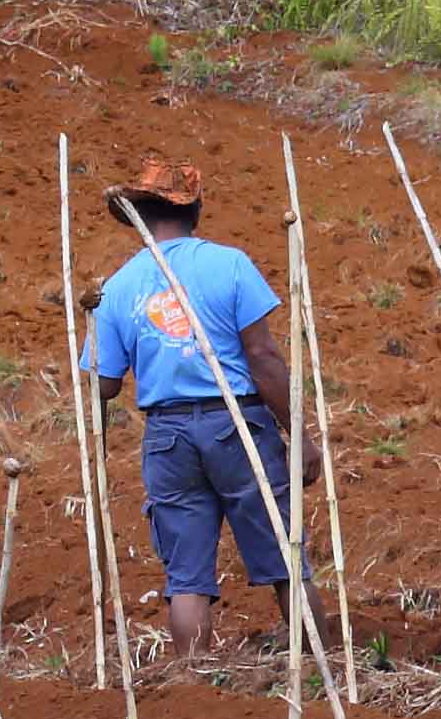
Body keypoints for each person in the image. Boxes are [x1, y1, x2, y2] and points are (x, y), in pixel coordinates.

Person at [78, 158, 295, 667]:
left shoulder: (118, 287)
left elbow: (104, 385)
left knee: (187, 579)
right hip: (236, 425)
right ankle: (321, 670)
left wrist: (89, 324)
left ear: (139, 218)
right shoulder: (230, 264)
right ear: (195, 208)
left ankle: (192, 683)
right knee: (286, 559)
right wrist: (299, 434)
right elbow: (262, 358)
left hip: (168, 438)